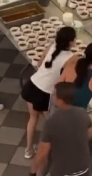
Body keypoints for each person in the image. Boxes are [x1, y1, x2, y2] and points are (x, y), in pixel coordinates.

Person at [30, 82, 92, 176]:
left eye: (55, 94)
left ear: (60, 99)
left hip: (61, 175)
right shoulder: (82, 113)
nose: (53, 96)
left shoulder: (52, 121)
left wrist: (33, 172)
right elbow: (89, 134)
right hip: (85, 171)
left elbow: (42, 152)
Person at [20, 27, 77, 159]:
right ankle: (50, 148)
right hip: (46, 93)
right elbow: (69, 78)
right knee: (50, 121)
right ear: (70, 42)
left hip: (32, 84)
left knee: (32, 119)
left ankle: (28, 150)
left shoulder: (51, 46)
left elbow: (40, 63)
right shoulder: (72, 58)